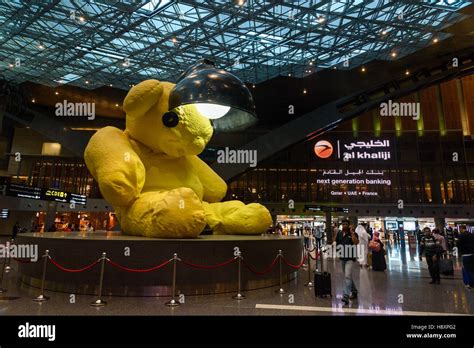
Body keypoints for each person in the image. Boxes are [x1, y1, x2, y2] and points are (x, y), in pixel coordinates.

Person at [335, 219, 359, 305]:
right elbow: (337, 242)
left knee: (347, 276)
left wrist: (352, 232)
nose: (344, 225)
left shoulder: (352, 234)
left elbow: (356, 242)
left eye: (346, 224)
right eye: (343, 224)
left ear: (349, 225)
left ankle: (345, 295)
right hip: (343, 258)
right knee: (348, 276)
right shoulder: (340, 233)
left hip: (350, 258)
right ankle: (354, 291)